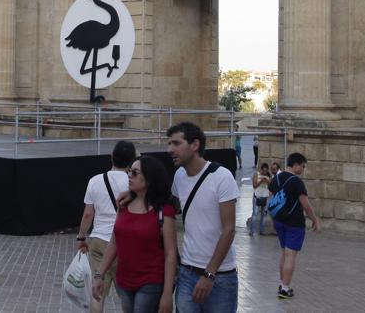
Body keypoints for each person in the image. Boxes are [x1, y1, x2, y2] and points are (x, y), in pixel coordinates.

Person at [166, 121, 239, 313]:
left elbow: (229, 229)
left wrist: (209, 274)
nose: (170, 149)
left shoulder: (221, 177)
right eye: (169, 144)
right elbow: (170, 209)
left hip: (220, 277)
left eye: (176, 143)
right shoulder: (179, 176)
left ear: (195, 145)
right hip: (187, 273)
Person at [92, 156, 178, 313]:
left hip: (150, 281)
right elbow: (114, 242)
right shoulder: (124, 204)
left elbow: (171, 254)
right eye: (129, 171)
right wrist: (99, 275)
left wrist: (167, 294)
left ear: (150, 178)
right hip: (125, 281)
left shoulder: (163, 211)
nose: (129, 176)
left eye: (135, 173)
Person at [77, 140, 135, 313]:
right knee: (125, 293)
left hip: (99, 240)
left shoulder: (95, 181)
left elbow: (88, 214)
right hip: (123, 242)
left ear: (111, 157)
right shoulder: (133, 183)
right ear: (132, 160)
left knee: (97, 291)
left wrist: (81, 237)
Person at [270, 152, 321, 301]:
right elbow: (305, 204)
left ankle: (282, 284)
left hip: (279, 221)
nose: (303, 169)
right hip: (294, 223)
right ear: (296, 165)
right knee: (290, 256)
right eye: (303, 166)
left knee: (283, 253)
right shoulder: (296, 181)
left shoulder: (276, 178)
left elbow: (270, 200)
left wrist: (273, 219)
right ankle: (285, 289)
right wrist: (314, 219)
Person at [248, 163, 271, 236]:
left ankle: (262, 230)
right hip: (257, 197)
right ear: (261, 170)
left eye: (266, 171)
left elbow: (271, 187)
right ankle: (252, 231)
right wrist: (261, 181)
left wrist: (267, 181)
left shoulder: (269, 176)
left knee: (264, 215)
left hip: (265, 197)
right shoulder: (256, 175)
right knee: (255, 214)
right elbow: (254, 186)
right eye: (263, 171)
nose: (265, 172)